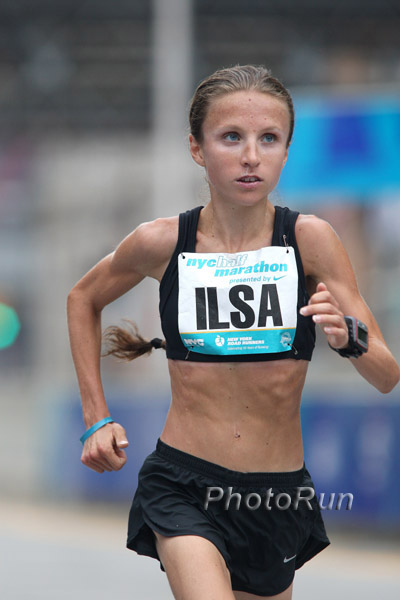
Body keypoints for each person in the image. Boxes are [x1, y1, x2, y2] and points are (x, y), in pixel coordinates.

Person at [67, 65, 400, 600]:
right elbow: (83, 298)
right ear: (197, 149)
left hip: (276, 497)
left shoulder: (311, 240)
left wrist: (348, 338)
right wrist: (95, 418)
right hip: (184, 484)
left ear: (286, 152)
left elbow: (387, 375)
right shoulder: (162, 242)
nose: (251, 156)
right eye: (231, 137)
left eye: (268, 139)